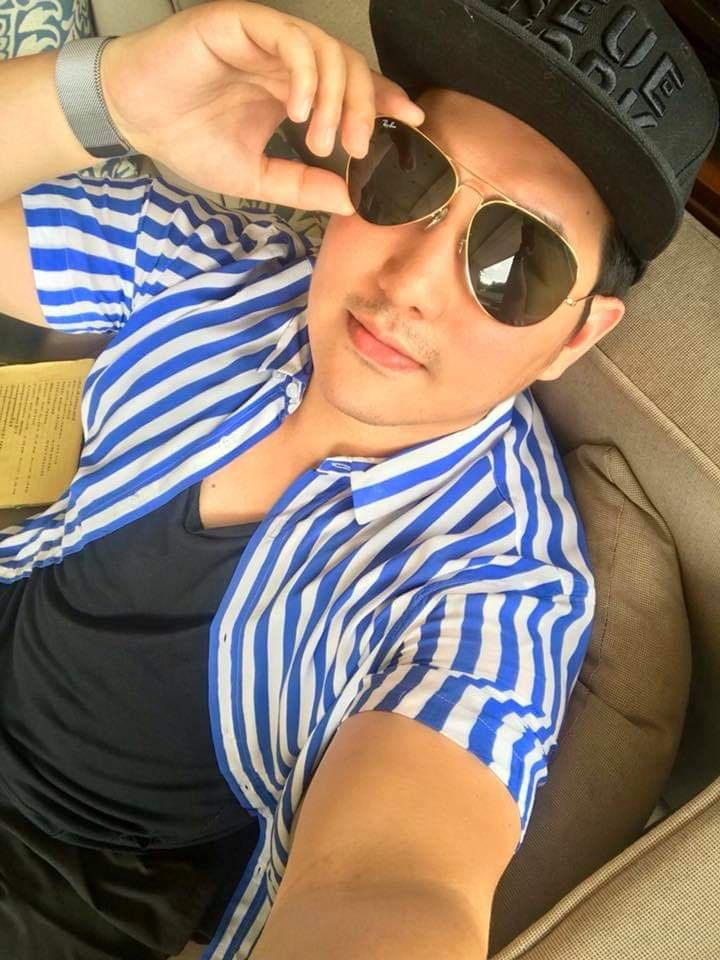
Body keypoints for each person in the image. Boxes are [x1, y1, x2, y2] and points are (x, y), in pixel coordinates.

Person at [0, 1, 716, 959]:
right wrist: (110, 95)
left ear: (576, 337)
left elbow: (393, 885)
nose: (408, 282)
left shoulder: (494, 585)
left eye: (518, 263)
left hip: (70, 885)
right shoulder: (223, 270)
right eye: (407, 178)